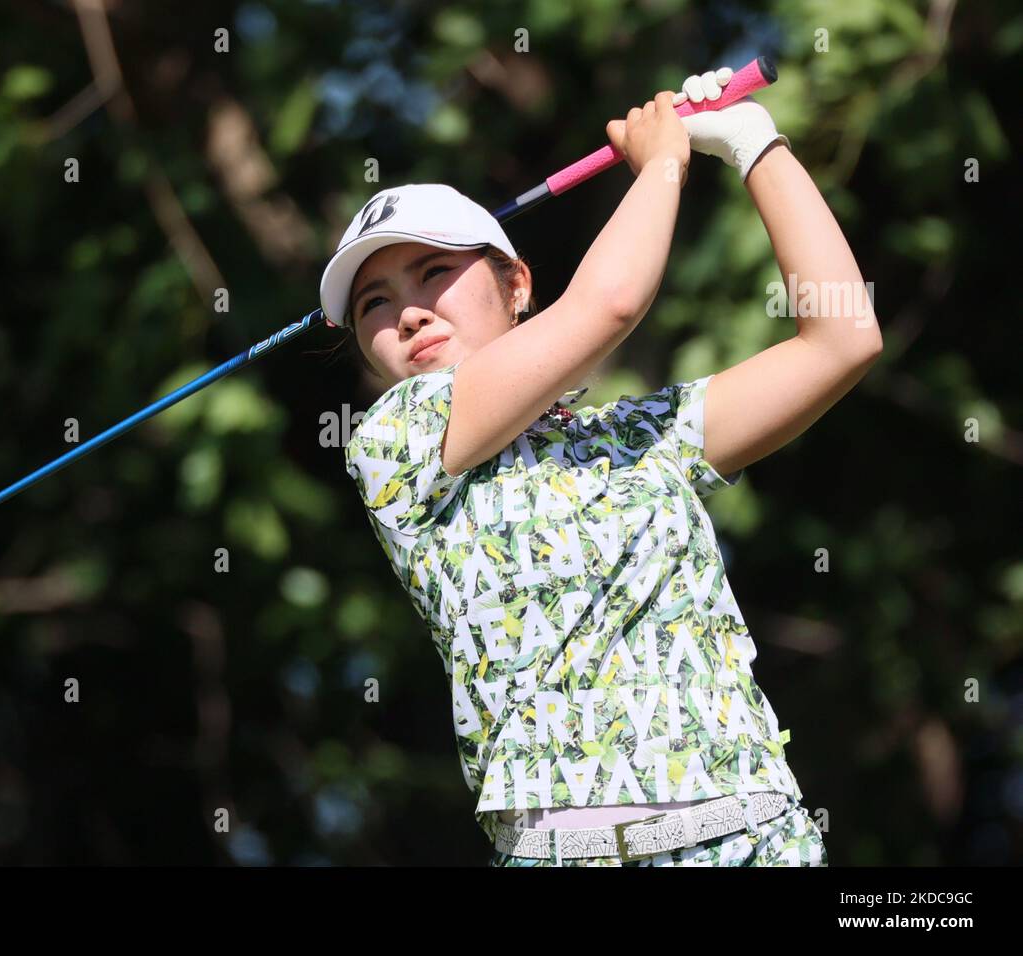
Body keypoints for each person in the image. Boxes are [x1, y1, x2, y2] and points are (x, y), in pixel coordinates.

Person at [322, 69, 880, 866]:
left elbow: (842, 340)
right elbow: (608, 304)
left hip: (755, 839)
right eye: (374, 303)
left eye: (434, 272)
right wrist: (663, 163)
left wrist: (755, 144)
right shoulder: (394, 445)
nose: (408, 312)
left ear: (516, 284)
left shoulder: (639, 439)